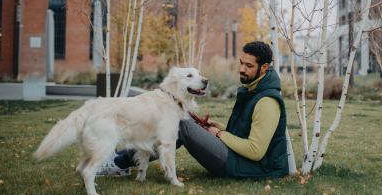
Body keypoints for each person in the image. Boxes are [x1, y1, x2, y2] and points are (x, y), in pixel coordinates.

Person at [97, 41, 288, 180]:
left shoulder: (267, 101)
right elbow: (246, 132)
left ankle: (118, 163)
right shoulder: (253, 89)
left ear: (264, 68)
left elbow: (255, 151)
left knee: (180, 122)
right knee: (180, 121)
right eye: (241, 63)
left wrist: (219, 134)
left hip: (251, 168)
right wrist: (216, 127)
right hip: (240, 160)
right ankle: (120, 158)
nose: (242, 69)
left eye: (249, 65)